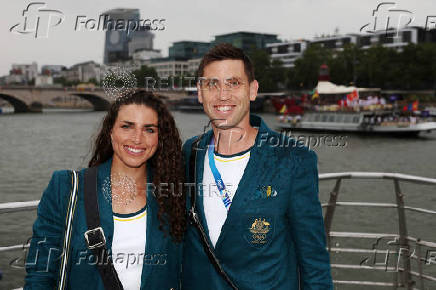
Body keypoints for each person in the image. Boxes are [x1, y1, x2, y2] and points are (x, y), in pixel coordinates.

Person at [182, 44, 333, 289]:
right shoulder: (189, 153)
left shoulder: (293, 159)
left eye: (233, 83)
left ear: (252, 90)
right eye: (212, 84)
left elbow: (313, 262)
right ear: (200, 92)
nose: (223, 95)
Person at [25, 91, 185, 289]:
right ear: (111, 131)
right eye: (127, 126)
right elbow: (40, 270)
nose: (137, 138)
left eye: (149, 130)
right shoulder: (66, 187)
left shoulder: (172, 194)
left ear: (159, 138)